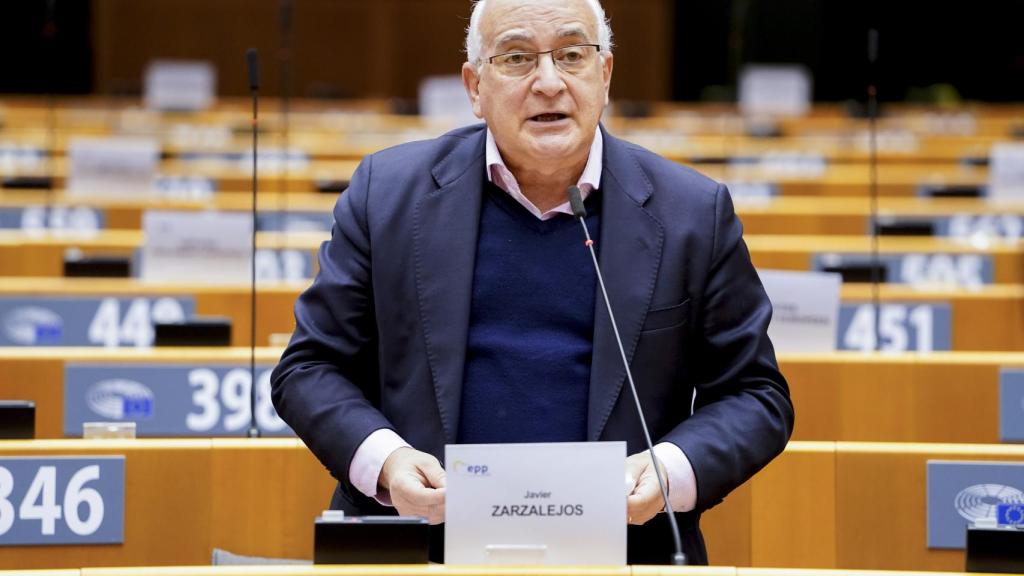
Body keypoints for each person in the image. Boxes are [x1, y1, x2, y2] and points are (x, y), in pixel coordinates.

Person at [271, 0, 793, 564]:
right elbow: (309, 369)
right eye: (517, 58)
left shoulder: (692, 212)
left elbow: (756, 395)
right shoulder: (387, 194)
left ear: (605, 74)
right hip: (421, 545)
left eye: (572, 54)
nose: (549, 83)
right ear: (476, 86)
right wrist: (387, 462)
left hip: (620, 548)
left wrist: (669, 469)